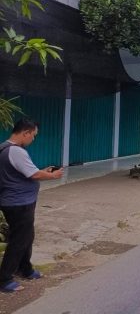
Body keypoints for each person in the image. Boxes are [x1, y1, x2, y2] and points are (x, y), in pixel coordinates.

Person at [0, 119, 64, 293]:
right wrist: (53, 175)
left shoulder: (4, 147)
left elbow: (22, 173)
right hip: (18, 203)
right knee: (19, 240)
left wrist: (43, 170)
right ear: (25, 132)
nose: (33, 139)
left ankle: (25, 268)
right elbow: (34, 174)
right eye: (33, 135)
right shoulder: (16, 151)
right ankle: (4, 279)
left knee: (26, 236)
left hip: (15, 201)